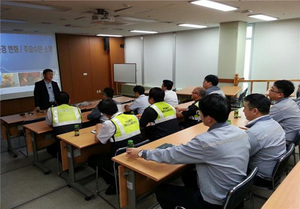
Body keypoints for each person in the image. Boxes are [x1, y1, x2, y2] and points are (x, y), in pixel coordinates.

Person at [126, 94, 250, 209]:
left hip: (214, 202)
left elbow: (171, 155)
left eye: (200, 112)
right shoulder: (241, 133)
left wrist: (142, 153)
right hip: (234, 194)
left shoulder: (205, 142)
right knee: (187, 173)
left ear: (209, 119)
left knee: (161, 190)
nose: (199, 114)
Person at [88, 98, 142, 195]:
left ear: (103, 113)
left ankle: (115, 183)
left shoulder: (109, 123)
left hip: (119, 158)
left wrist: (98, 127)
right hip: (136, 153)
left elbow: (99, 140)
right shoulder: (133, 117)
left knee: (92, 159)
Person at [243, 94, 286, 187]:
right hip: (274, 170)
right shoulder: (275, 123)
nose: (243, 110)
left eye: (244, 108)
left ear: (255, 111)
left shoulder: (255, 133)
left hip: (261, 177)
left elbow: (241, 155)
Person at [45, 91, 82, 158]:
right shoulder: (77, 109)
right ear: (69, 100)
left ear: (55, 101)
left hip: (62, 139)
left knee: (50, 149)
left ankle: (64, 161)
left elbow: (48, 124)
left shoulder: (51, 110)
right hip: (77, 136)